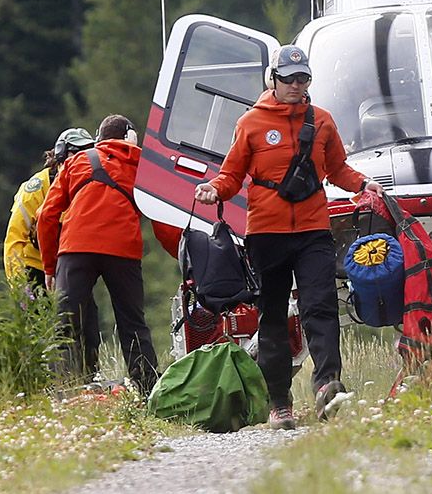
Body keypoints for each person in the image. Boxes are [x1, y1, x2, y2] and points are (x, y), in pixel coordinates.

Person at [194, 44, 384, 430]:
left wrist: (364, 184)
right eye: (289, 79)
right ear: (274, 80)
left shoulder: (323, 121)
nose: (297, 85)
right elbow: (232, 175)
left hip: (314, 229)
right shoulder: (250, 123)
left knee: (321, 307)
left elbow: (338, 170)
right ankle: (280, 402)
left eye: (303, 79)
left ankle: (327, 386)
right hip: (266, 233)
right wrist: (215, 188)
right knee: (274, 318)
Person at [37, 114, 179, 395]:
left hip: (76, 248)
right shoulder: (142, 166)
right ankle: (148, 391)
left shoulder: (76, 162)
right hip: (122, 250)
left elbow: (46, 216)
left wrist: (50, 267)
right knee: (132, 324)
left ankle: (63, 389)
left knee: (65, 324)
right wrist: (182, 256)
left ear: (99, 139)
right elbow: (161, 221)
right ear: (130, 136)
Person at [3, 127, 102, 376]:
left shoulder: (88, 186)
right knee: (40, 332)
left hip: (68, 266)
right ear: (59, 156)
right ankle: (42, 381)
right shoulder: (35, 190)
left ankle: (88, 377)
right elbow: (14, 240)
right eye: (75, 154)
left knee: (87, 327)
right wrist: (20, 287)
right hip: (34, 268)